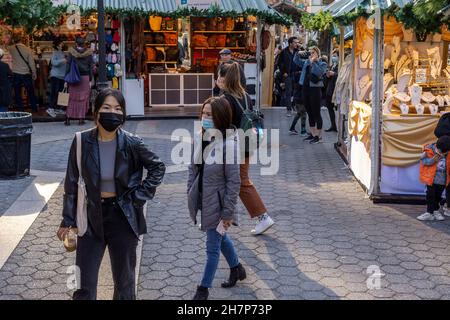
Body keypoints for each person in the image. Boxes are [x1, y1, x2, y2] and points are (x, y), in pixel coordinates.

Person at [57, 88, 166, 300]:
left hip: (123, 218)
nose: (112, 113)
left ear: (123, 115)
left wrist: (138, 196)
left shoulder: (132, 143)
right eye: (106, 107)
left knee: (124, 284)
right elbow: (71, 183)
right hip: (90, 218)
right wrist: (67, 220)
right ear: (96, 111)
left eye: (117, 109)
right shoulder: (81, 141)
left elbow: (158, 167)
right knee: (84, 285)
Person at [188, 96, 245, 300]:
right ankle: (237, 268)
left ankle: (202, 290)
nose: (205, 117)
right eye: (204, 113)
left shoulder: (229, 144)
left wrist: (228, 212)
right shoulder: (200, 136)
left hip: (219, 204)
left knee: (212, 247)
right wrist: (190, 192)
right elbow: (193, 168)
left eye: (210, 115)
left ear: (220, 117)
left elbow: (234, 182)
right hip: (205, 199)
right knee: (219, 238)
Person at [217, 62, 275, 235]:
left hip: (233, 147)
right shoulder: (244, 95)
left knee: (240, 181)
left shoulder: (225, 99)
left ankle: (263, 217)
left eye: (219, 75)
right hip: (247, 144)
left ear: (224, 78)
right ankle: (222, 219)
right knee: (230, 181)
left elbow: (222, 126)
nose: (217, 79)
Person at [294, 46, 327, 144]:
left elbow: (318, 72)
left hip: (315, 90)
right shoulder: (306, 62)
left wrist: (313, 62)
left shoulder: (322, 63)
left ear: (318, 54)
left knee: (316, 113)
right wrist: (298, 52)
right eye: (310, 52)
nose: (311, 54)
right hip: (305, 89)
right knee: (309, 112)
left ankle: (318, 136)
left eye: (313, 52)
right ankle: (313, 134)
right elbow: (296, 60)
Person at [417, 136, 450, 221]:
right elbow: (423, 161)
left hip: (443, 180)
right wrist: (433, 160)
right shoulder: (428, 149)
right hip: (431, 179)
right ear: (437, 147)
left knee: (438, 197)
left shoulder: (447, 151)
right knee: (430, 195)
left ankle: (435, 211)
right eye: (441, 152)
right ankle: (429, 212)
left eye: (445, 153)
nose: (443, 154)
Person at [65, 36, 93, 126]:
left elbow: (68, 66)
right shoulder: (89, 53)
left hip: (73, 77)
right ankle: (81, 119)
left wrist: (66, 79)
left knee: (71, 98)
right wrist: (90, 80)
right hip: (85, 78)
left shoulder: (71, 53)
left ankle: (68, 118)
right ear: (84, 43)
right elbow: (91, 67)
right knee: (83, 98)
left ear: (76, 43)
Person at [8, 34, 38, 112]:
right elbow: (31, 63)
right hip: (26, 74)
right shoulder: (28, 49)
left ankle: (21, 109)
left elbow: (7, 45)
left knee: (17, 92)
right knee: (30, 91)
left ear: (14, 41)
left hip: (16, 73)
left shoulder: (11, 48)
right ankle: (34, 108)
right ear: (21, 40)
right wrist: (34, 73)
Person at [277, 37, 300, 117]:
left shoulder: (298, 52)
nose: (297, 44)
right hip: (288, 75)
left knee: (296, 92)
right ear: (290, 43)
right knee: (288, 92)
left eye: (297, 42)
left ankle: (293, 105)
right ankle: (289, 109)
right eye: (295, 42)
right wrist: (283, 72)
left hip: (296, 74)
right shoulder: (284, 52)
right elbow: (279, 63)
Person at [289, 45, 307, 136]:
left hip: (299, 94)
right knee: (302, 113)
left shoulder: (300, 68)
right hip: (300, 95)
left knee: (300, 113)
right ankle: (302, 130)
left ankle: (292, 128)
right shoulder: (301, 70)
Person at [46, 39, 67, 118]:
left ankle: (58, 108)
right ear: (58, 45)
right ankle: (50, 108)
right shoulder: (55, 52)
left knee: (60, 93)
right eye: (61, 43)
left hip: (62, 76)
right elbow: (53, 63)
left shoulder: (62, 53)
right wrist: (63, 60)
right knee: (54, 92)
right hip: (55, 76)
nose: (63, 44)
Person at [325, 50, 339, 132]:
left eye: (335, 56)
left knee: (338, 109)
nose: (334, 58)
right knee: (330, 108)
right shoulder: (332, 66)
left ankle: (339, 127)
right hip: (329, 90)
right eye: (333, 56)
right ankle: (333, 125)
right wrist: (327, 74)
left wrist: (334, 74)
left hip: (336, 90)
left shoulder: (340, 66)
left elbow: (340, 76)